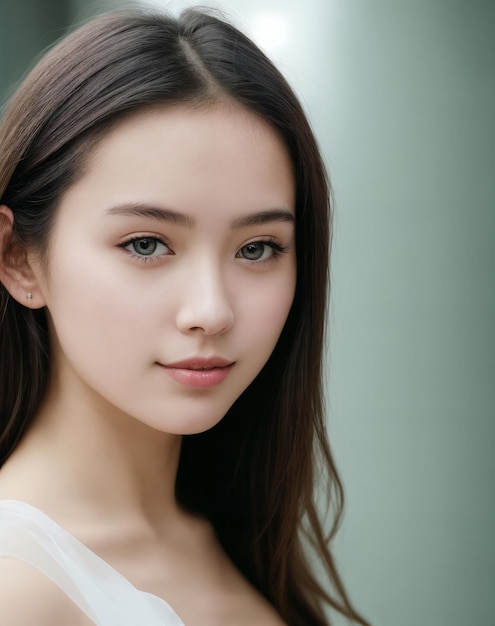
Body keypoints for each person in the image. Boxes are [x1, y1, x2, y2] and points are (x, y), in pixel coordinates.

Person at [0, 7, 370, 626]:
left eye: (258, 249)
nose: (211, 311)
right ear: (19, 259)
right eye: (146, 244)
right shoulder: (18, 586)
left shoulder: (229, 530)